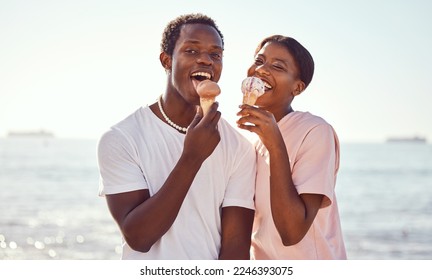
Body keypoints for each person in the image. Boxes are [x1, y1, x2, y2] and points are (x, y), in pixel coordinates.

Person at [97, 13, 255, 260]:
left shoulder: (240, 147)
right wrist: (192, 158)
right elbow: (139, 238)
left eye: (216, 54)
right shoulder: (121, 138)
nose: (205, 60)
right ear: (166, 60)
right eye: (191, 51)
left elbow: (235, 249)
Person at [237, 35, 347, 259]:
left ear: (297, 88)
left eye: (277, 66)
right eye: (259, 61)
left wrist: (275, 144)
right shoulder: (247, 142)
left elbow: (292, 232)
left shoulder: (315, 131)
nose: (262, 70)